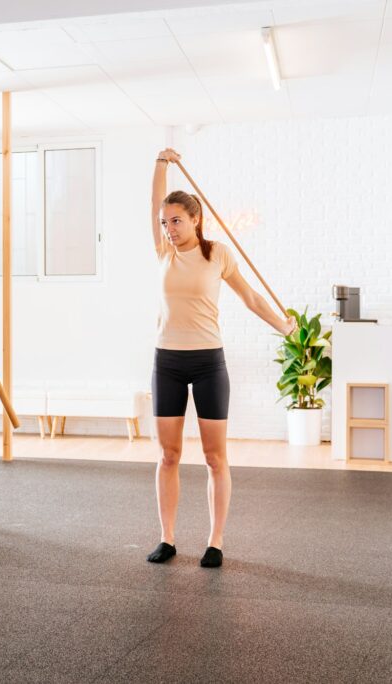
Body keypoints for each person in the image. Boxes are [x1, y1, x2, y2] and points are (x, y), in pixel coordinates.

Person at [147, 148, 295, 568]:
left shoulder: (219, 254)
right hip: (168, 362)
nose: (170, 228)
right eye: (165, 222)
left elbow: (250, 298)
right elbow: (153, 203)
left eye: (177, 220)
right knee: (168, 455)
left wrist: (283, 326)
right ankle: (168, 538)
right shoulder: (163, 252)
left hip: (209, 361)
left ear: (196, 219)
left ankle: (215, 541)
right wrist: (160, 166)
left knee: (215, 457)